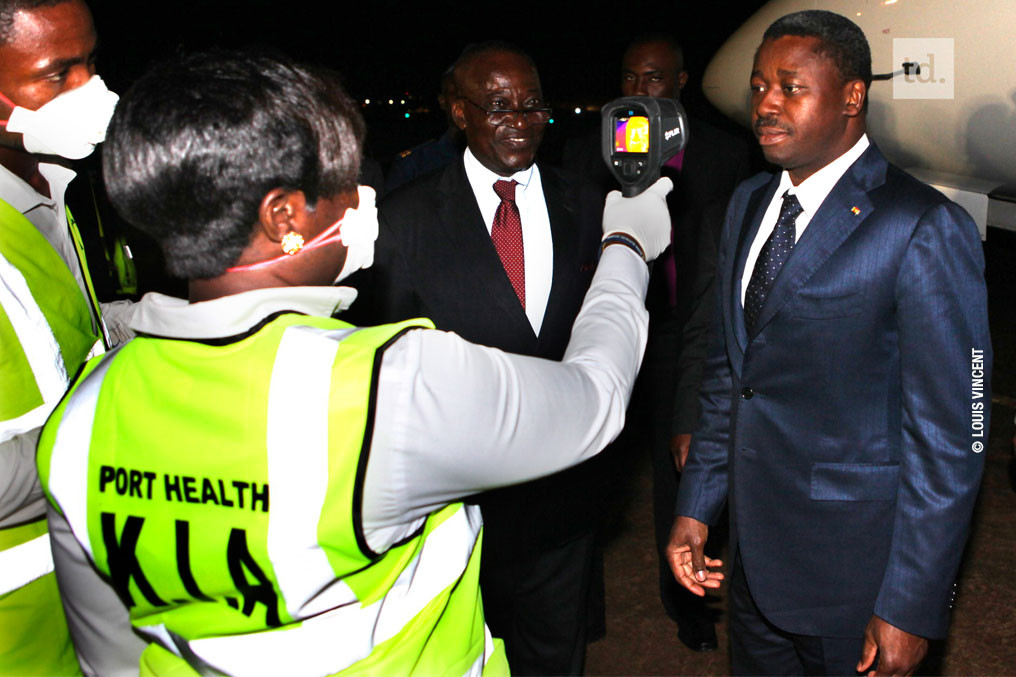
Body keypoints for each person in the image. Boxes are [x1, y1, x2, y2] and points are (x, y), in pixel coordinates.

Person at [36, 48, 673, 676]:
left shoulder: (78, 424)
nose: (365, 197)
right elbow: (594, 399)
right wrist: (626, 243)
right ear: (284, 216)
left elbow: (112, 654)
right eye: (343, 182)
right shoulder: (387, 386)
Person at [666, 10, 991, 676]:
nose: (766, 104)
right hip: (754, 566)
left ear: (851, 97)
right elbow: (734, 375)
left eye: (790, 87)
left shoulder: (921, 226)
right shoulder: (748, 203)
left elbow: (952, 438)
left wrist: (911, 601)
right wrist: (698, 508)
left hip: (858, 579)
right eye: (759, 87)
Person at [348, 41, 607, 675]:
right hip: (455, 503)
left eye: (531, 105)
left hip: (560, 498)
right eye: (497, 106)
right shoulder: (405, 221)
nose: (519, 119)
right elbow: (386, 367)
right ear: (458, 113)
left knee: (556, 656)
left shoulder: (589, 204)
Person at [0, 0, 137, 673]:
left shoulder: (52, 183)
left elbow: (71, 337)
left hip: (83, 584)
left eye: (91, 63)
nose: (91, 91)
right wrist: (117, 423)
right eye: (57, 75)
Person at [384, 66, 464, 193]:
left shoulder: (503, 160)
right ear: (443, 101)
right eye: (459, 96)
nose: (467, 104)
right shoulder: (412, 166)